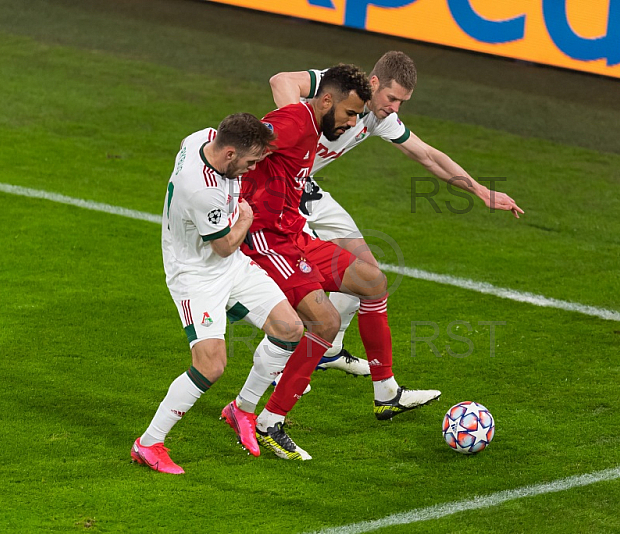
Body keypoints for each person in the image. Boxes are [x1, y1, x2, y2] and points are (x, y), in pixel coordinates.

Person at [232, 64, 441, 461]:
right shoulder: (296, 123)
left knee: (373, 280)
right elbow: (241, 146)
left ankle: (385, 393)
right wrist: (226, 201)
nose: (352, 124)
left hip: (294, 231)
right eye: (348, 115)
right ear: (327, 101)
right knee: (324, 322)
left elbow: (428, 155)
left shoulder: (320, 126)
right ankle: (270, 421)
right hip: (266, 239)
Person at [268, 51, 524, 366]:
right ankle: (279, 370)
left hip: (308, 189)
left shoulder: (380, 117)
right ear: (373, 82)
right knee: (300, 284)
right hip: (278, 191)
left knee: (368, 273)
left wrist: (482, 191)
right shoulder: (337, 85)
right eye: (392, 98)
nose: (395, 108)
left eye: (402, 102)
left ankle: (328, 351)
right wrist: (299, 129)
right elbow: (281, 80)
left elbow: (428, 155)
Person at [131, 113, 311, 474]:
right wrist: (245, 216)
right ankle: (148, 444)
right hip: (196, 275)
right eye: (250, 162)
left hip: (229, 266)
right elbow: (226, 245)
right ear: (230, 154)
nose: (252, 168)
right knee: (211, 366)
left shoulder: (203, 136)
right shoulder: (202, 191)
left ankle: (242, 408)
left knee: (289, 328)